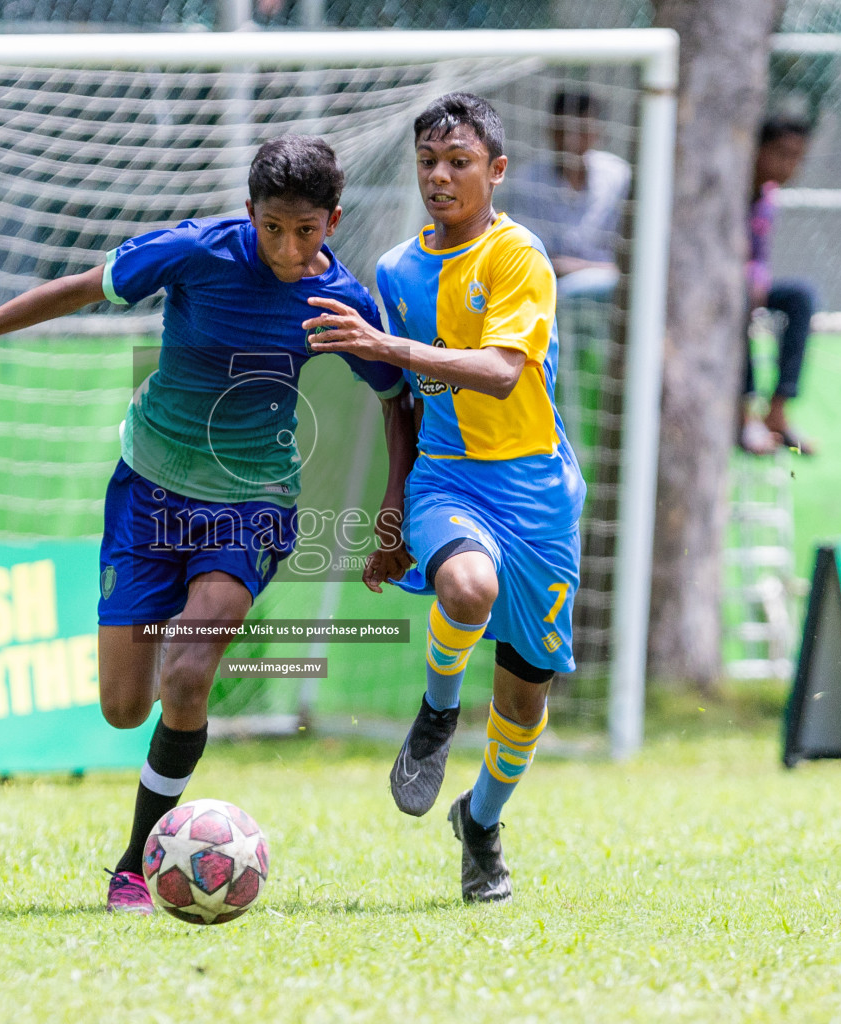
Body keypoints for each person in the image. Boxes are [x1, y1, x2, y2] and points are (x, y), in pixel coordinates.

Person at [0, 136, 409, 914]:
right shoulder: (195, 252)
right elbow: (76, 288)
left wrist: (393, 507)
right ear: (250, 214)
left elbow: (397, 395)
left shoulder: (343, 304)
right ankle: (166, 737)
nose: (288, 248)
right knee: (125, 706)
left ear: (332, 220)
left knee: (189, 673)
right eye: (271, 228)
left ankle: (136, 864)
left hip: (252, 502)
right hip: (150, 493)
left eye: (306, 231)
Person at [303, 93, 584, 904]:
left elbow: (501, 374)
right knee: (467, 586)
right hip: (446, 475)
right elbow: (403, 399)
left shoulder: (518, 255)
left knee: (525, 697)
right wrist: (393, 509)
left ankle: (482, 822)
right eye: (428, 161)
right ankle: (434, 714)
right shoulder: (395, 270)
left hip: (534, 490)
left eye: (458, 162)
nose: (439, 176)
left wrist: (386, 344)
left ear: (495, 171)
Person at [504, 88, 631, 300]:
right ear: (551, 129)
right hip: (547, 288)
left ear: (597, 131)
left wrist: (585, 268)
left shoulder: (619, 176)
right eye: (565, 129)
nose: (572, 139)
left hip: (612, 289)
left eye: (582, 129)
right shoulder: (527, 181)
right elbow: (531, 257)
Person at [741, 115, 818, 456]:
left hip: (749, 287)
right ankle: (745, 414)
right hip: (725, 294)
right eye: (783, 154)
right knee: (736, 302)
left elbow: (758, 257)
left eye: (798, 157)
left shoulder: (769, 198)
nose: (791, 166)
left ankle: (777, 409)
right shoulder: (729, 190)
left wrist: (756, 280)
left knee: (801, 297)